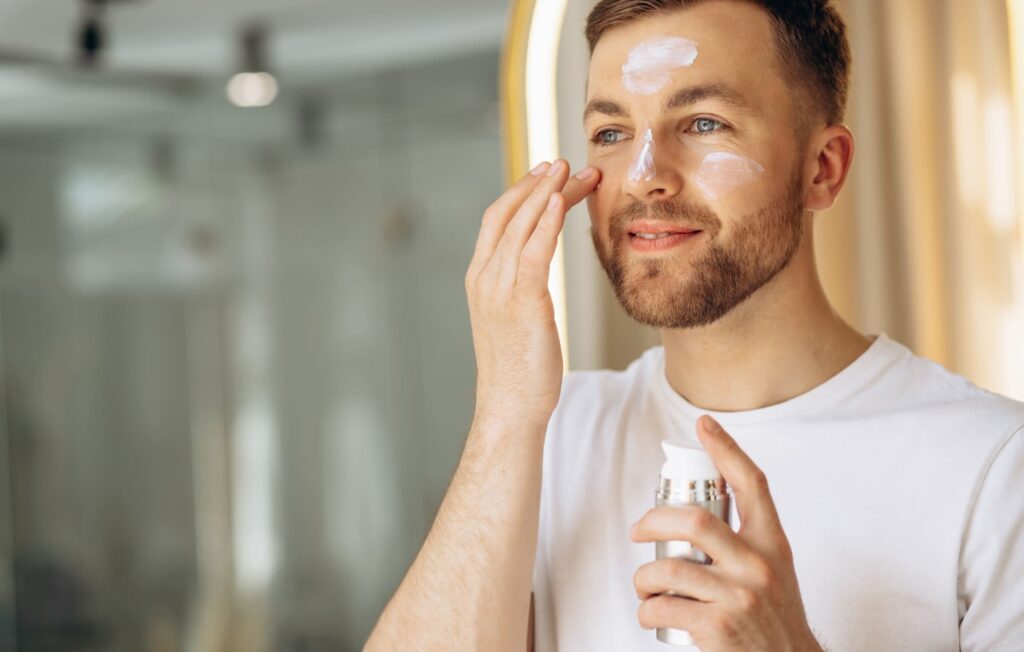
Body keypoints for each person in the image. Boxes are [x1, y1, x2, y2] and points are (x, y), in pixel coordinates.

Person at [366, 0, 1024, 650]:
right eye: (612, 134)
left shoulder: (996, 469)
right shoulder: (551, 434)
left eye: (705, 122)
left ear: (822, 169)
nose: (645, 177)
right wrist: (506, 407)